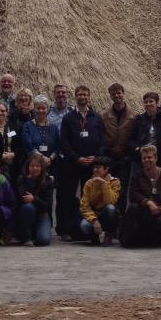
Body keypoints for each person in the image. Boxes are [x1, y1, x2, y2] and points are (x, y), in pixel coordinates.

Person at [59, 86, 106, 240]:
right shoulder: (68, 118)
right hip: (72, 163)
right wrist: (76, 157)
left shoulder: (97, 117)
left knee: (91, 197)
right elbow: (64, 142)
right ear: (75, 97)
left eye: (85, 94)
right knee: (68, 196)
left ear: (89, 96)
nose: (82, 97)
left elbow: (103, 141)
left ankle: (91, 230)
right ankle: (65, 230)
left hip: (91, 164)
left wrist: (96, 157)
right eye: (79, 94)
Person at [121, 145, 161, 247]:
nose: (146, 160)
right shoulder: (137, 175)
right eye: (144, 158)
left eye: (149, 157)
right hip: (144, 212)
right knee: (132, 209)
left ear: (156, 158)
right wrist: (148, 202)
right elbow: (132, 194)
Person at [102, 83, 134, 209]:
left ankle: (121, 222)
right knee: (108, 190)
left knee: (123, 190)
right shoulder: (104, 116)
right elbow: (102, 137)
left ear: (123, 93)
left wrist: (129, 156)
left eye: (119, 93)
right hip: (109, 160)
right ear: (110, 96)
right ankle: (110, 220)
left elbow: (134, 138)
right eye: (113, 94)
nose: (116, 96)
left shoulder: (133, 116)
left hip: (124, 160)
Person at [16, 152, 55, 246]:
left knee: (43, 240)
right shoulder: (22, 179)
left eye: (38, 166)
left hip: (42, 214)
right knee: (28, 207)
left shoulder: (48, 181)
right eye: (32, 166)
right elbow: (23, 199)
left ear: (42, 168)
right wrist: (30, 181)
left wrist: (34, 199)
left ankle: (35, 233)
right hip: (26, 213)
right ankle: (26, 237)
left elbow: (47, 206)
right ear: (27, 167)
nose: (34, 168)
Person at [79, 157, 120, 245]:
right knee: (84, 225)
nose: (95, 170)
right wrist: (94, 221)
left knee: (110, 208)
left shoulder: (115, 182)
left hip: (107, 214)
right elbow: (84, 206)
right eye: (94, 167)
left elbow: (110, 201)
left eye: (98, 167)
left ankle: (109, 234)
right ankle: (94, 236)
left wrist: (104, 184)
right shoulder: (89, 183)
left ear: (106, 169)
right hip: (94, 214)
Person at [130, 91, 161, 169]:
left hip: (159, 158)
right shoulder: (139, 119)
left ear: (157, 103)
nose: (148, 104)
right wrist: (137, 148)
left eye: (151, 101)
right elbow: (131, 139)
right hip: (142, 157)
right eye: (146, 102)